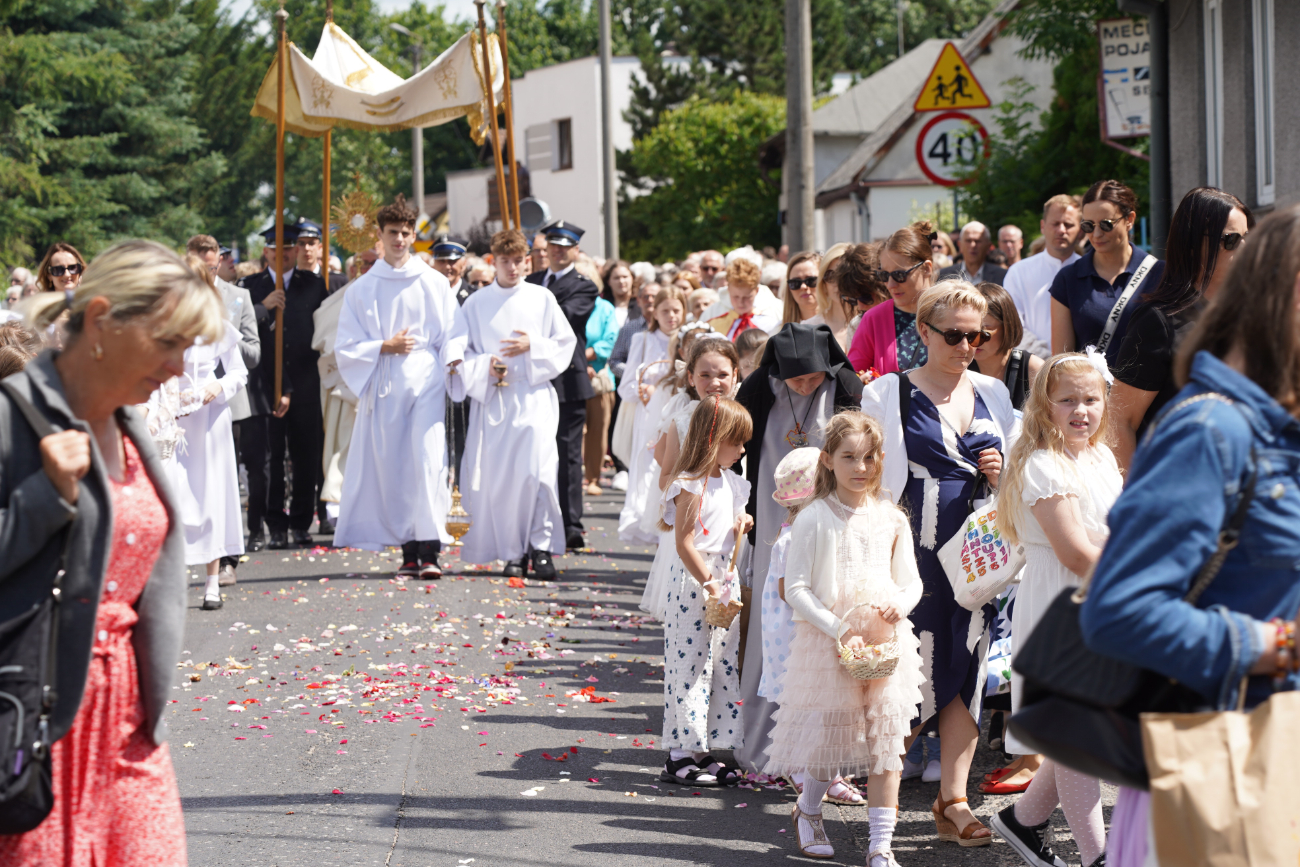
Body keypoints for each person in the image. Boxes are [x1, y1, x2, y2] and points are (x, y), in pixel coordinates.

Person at [1077, 207, 1300, 866]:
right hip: (1219, 769)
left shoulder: (1277, 432)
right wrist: (1273, 646)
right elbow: (1117, 610)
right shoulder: (1210, 431)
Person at [0, 239, 224, 865]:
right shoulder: (11, 419)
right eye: (168, 343)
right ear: (100, 320)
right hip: (32, 727)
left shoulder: (127, 423)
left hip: (126, 728)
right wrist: (44, 499)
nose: (178, 367)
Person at [862, 281, 1020, 849]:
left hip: (978, 555)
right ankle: (878, 814)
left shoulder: (994, 393)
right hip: (913, 554)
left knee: (969, 669)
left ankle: (954, 800)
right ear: (923, 332)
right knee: (910, 675)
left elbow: (1019, 476)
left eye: (977, 336)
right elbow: (866, 479)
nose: (966, 347)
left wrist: (1002, 474)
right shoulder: (887, 393)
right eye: (953, 335)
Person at [765, 412, 924, 864]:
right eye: (849, 457)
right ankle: (808, 808)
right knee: (832, 735)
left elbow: (910, 581)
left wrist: (902, 605)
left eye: (869, 457)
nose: (861, 467)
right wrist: (839, 628)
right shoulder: (814, 517)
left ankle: (880, 846)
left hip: (885, 641)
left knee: (887, 743)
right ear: (828, 460)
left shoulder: (892, 519)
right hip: (829, 639)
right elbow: (797, 589)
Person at [988, 351, 1120, 867]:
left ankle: (1022, 820)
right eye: (1067, 400)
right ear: (1044, 407)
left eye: (1090, 399)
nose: (1081, 410)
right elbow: (1075, 553)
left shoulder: (1100, 457)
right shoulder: (1044, 465)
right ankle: (1097, 857)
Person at [734, 323, 865, 773]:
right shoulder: (758, 388)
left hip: (831, 516)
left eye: (813, 378)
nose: (806, 386)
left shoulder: (844, 387)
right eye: (796, 380)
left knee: (825, 611)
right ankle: (762, 745)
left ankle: (822, 754)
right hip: (774, 514)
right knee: (770, 623)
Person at [332, 196, 458, 578]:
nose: (400, 239)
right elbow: (346, 345)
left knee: (428, 459)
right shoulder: (361, 289)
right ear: (380, 235)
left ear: (413, 235)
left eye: (405, 233)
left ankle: (430, 549)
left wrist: (454, 361)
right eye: (393, 233)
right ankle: (408, 550)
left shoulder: (434, 282)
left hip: (427, 379)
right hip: (385, 380)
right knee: (396, 466)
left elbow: (453, 332)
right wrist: (383, 346)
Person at [447, 228, 576, 580]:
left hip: (532, 395)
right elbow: (461, 351)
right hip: (495, 401)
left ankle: (541, 547)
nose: (513, 268)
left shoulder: (541, 297)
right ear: (494, 261)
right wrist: (484, 365)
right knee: (503, 480)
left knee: (539, 474)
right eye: (505, 261)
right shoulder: (476, 303)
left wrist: (533, 345)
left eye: (519, 260)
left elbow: (564, 343)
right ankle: (512, 552)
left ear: (528, 260)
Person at [1111, 187, 1253, 470]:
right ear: (1192, 245)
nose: (1246, 248)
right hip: (1178, 482)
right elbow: (1120, 421)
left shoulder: (1254, 313)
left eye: (1250, 237)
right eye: (1232, 240)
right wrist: (1133, 489)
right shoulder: (1157, 321)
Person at [657, 396, 753, 787]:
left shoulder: (730, 482)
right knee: (690, 663)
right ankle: (678, 753)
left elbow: (727, 527)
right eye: (737, 441)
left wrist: (741, 523)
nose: (742, 449)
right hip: (696, 580)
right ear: (715, 438)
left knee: (720, 662)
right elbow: (685, 542)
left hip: (723, 578)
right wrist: (708, 581)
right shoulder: (691, 483)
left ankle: (702, 748)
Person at [240, 222, 329, 548]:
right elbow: (238, 327)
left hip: (305, 384)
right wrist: (263, 307)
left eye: (289, 248)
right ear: (266, 252)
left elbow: (324, 329)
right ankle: (275, 524)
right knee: (272, 457)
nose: (284, 254)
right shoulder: (251, 286)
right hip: (267, 385)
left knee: (306, 456)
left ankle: (301, 523)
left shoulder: (314, 284)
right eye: (277, 249)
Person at [640, 337, 741, 618]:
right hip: (695, 522)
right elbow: (665, 473)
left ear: (735, 374)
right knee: (693, 603)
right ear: (690, 377)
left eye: (723, 375)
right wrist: (690, 488)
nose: (714, 382)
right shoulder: (683, 420)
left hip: (730, 520)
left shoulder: (741, 415)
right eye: (704, 375)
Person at [171, 254, 248, 609]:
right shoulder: (162, 326)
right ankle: (172, 579)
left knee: (211, 494)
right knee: (175, 496)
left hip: (210, 419)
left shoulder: (218, 326)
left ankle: (212, 581)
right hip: (173, 419)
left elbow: (238, 372)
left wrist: (217, 387)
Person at [189, 234, 261, 586]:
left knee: (221, 480)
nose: (208, 271)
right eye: (199, 266)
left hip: (221, 404)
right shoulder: (171, 310)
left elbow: (251, 355)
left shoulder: (237, 297)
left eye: (212, 265)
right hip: (180, 412)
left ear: (219, 261)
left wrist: (225, 337)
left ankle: (225, 561)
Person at [528, 220, 599, 551]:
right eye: (552, 246)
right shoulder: (530, 281)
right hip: (532, 377)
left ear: (576, 251)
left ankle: (570, 523)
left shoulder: (584, 286)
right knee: (531, 451)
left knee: (568, 454)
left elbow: (564, 318)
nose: (557, 251)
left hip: (567, 379)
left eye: (563, 246)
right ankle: (532, 517)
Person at [1050, 179, 1165, 365]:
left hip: (1149, 384)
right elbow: (1062, 361)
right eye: (1088, 225)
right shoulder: (1068, 278)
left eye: (1106, 224)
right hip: (1090, 384)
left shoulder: (1159, 274)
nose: (1096, 234)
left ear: (1129, 220)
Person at [617, 285, 685, 543]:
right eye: (665, 311)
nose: (671, 316)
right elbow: (626, 386)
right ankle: (649, 524)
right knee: (648, 468)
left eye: (676, 310)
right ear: (655, 312)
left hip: (678, 413)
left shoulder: (687, 339)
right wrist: (647, 389)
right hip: (649, 415)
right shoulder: (643, 340)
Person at [848, 221, 939, 376]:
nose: (890, 285)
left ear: (926, 268)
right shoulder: (874, 319)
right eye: (884, 275)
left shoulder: (953, 313)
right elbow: (852, 377)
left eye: (899, 275)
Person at [1003, 195, 1084, 352]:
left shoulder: (1091, 271)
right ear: (1042, 226)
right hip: (1032, 363)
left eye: (1068, 225)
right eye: (1055, 224)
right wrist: (1045, 359)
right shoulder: (1019, 272)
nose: (1061, 230)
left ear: (1080, 230)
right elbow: (1012, 326)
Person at [973, 283, 1043, 410]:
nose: (974, 340)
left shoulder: (1034, 370)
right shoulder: (957, 366)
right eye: (968, 332)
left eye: (984, 332)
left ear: (1007, 327)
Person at [584, 290, 620, 495]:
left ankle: (593, 478)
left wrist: (585, 357)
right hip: (571, 374)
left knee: (597, 431)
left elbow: (610, 341)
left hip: (598, 378)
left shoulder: (605, 308)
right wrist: (578, 362)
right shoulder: (565, 304)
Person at [804, 243, 859, 353]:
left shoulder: (873, 324)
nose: (838, 283)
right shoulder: (808, 328)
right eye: (831, 275)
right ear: (823, 283)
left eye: (845, 275)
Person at [709, 259, 779, 340]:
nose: (740, 303)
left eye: (747, 297)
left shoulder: (771, 325)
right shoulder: (714, 326)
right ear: (728, 290)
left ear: (757, 291)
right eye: (735, 297)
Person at [940, 222, 1008, 286]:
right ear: (959, 245)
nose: (973, 245)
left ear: (988, 246)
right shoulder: (944, 275)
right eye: (968, 241)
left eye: (977, 241)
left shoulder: (1002, 276)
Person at [780, 251, 821, 325]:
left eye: (811, 280)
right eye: (795, 283)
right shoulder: (779, 330)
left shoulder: (840, 326)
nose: (803, 287)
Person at [431, 235, 471, 303]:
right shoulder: (425, 294)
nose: (447, 267)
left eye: (452, 261)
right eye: (441, 261)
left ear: (464, 264)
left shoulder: (474, 296)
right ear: (434, 264)